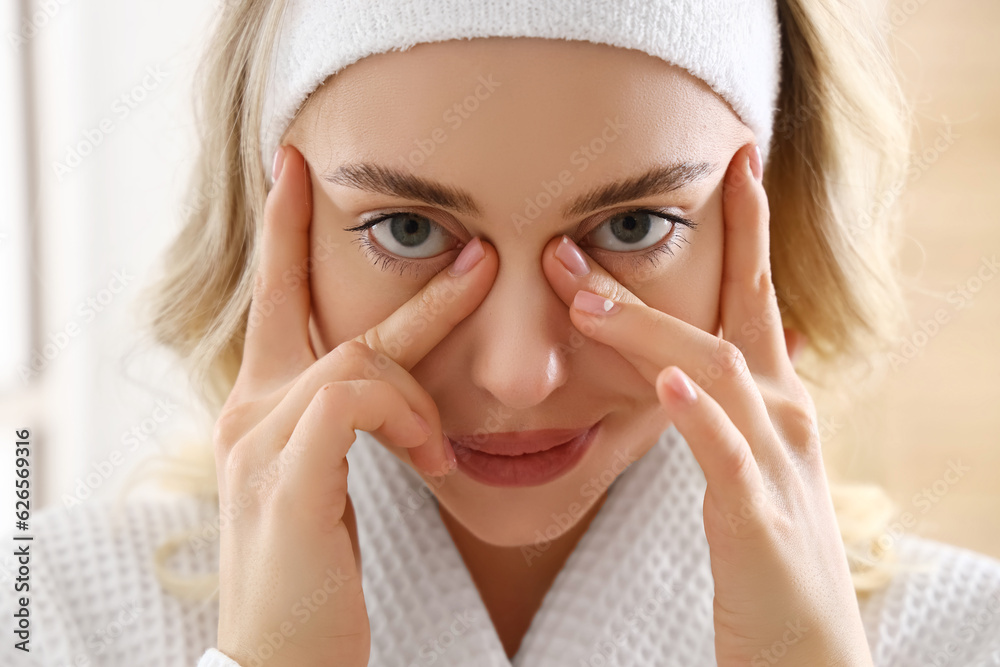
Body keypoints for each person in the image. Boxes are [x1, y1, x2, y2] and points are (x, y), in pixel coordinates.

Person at [5, 0, 1000, 665]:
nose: (521, 375)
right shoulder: (51, 610)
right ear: (279, 230)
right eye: (407, 229)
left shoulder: (964, 632)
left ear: (768, 221)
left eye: (631, 226)